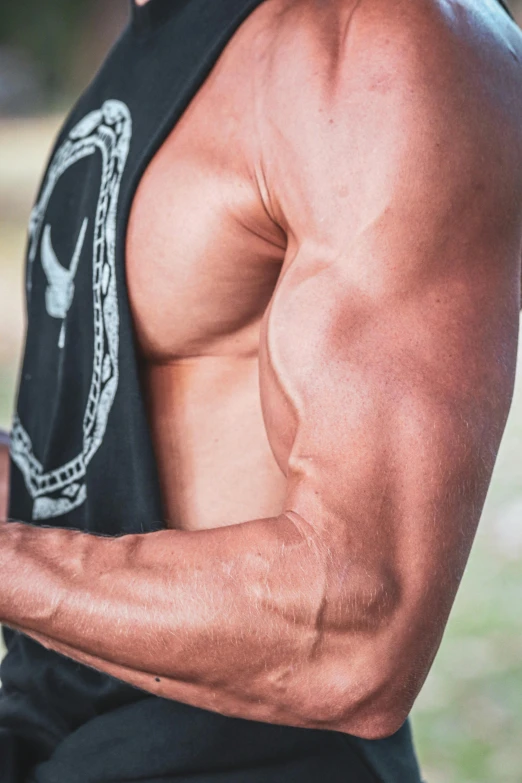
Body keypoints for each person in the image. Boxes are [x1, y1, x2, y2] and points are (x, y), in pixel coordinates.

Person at [0, 0, 521, 780]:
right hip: (51, 737)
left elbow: (360, 620)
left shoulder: (383, 40)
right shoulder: (156, 45)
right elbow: (87, 471)